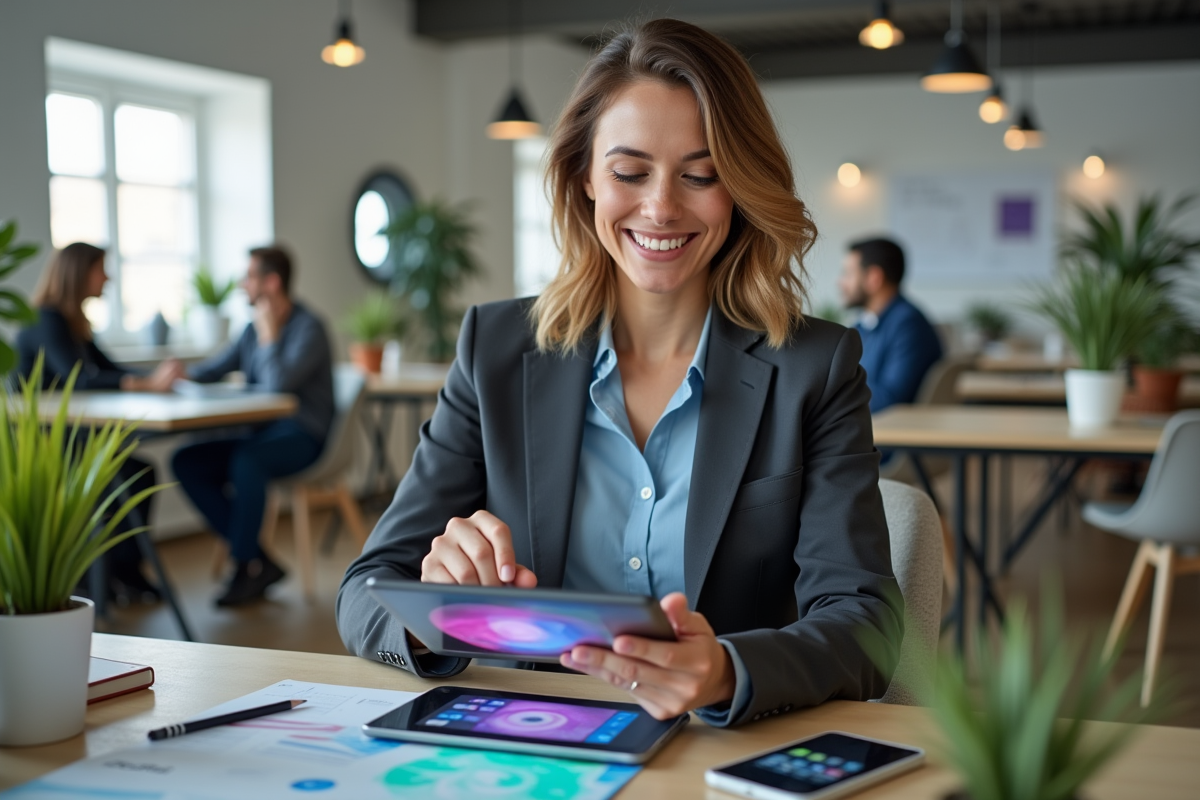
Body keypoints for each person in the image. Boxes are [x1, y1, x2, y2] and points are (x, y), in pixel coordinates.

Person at [337, 18, 902, 727]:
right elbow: (366, 590)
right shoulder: (496, 349)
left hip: (715, 750)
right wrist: (437, 615)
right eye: (629, 173)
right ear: (584, 178)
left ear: (739, 187)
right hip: (531, 739)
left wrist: (727, 671)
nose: (661, 207)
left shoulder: (813, 368)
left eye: (701, 175)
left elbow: (865, 623)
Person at [15, 242, 184, 602]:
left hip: (75, 436)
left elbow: (109, 368)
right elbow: (79, 378)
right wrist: (147, 385)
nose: (107, 278)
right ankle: (103, 578)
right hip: (44, 446)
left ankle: (124, 573)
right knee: (129, 474)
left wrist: (155, 378)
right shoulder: (46, 319)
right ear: (78, 274)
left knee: (138, 472)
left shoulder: (73, 322)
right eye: (101, 270)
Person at [171, 245, 334, 608]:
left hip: (303, 436)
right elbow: (214, 369)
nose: (242, 285)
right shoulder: (250, 329)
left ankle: (246, 566)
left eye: (249, 277)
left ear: (271, 282)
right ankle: (259, 560)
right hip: (259, 433)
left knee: (247, 461)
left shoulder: (309, 328)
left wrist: (270, 336)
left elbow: (278, 386)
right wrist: (178, 375)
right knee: (186, 461)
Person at [838, 237, 943, 413]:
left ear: (874, 278)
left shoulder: (908, 326)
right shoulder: (863, 325)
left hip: (895, 427)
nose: (840, 282)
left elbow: (891, 400)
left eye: (847, 274)